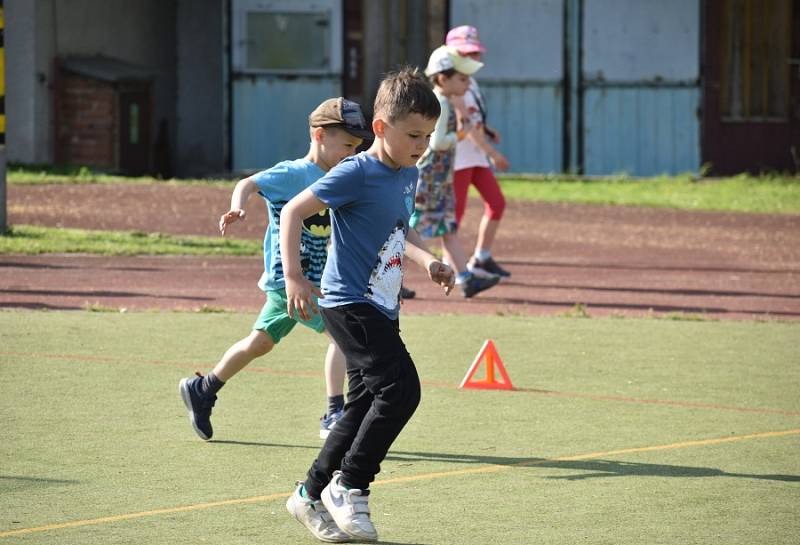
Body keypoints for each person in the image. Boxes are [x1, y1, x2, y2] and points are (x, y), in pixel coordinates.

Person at [281, 67, 455, 543]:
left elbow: (400, 228)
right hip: (347, 303)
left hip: (381, 304)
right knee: (402, 390)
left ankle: (308, 493)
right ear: (381, 128)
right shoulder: (355, 171)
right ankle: (351, 484)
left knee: (360, 406)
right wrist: (295, 276)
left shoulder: (408, 172)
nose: (422, 144)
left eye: (428, 135)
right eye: (413, 134)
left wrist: (428, 260)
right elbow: (294, 211)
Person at [178, 97, 373, 442]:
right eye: (346, 145)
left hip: (308, 280)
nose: (352, 153)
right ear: (318, 136)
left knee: (259, 343)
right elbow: (248, 184)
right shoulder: (294, 173)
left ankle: (203, 388)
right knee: (345, 339)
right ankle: (333, 412)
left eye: (357, 147)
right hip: (291, 281)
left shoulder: (338, 178)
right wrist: (238, 208)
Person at [410, 45, 500, 298]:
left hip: (439, 180)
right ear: (442, 78)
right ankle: (391, 278)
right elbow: (438, 142)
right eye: (462, 78)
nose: (467, 83)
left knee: (447, 228)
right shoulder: (440, 102)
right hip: (429, 180)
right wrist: (458, 134)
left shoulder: (443, 100)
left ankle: (467, 279)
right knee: (406, 228)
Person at [446, 25, 512, 278]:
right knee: (455, 217)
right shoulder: (452, 84)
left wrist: (489, 131)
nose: (473, 58)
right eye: (466, 53)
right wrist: (494, 154)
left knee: (496, 203)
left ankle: (481, 257)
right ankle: (451, 265)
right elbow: (467, 128)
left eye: (475, 53)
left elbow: (474, 120)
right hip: (459, 159)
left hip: (475, 157)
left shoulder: (470, 81)